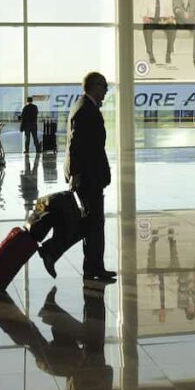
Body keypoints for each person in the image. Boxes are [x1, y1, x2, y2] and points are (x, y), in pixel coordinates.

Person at [40, 72, 116, 282]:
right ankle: (56, 251)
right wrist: (75, 174)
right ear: (92, 86)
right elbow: (76, 144)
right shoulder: (85, 109)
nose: (106, 90)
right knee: (94, 222)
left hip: (89, 174)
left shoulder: (84, 106)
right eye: (103, 86)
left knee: (90, 223)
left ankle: (91, 267)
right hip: (87, 176)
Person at [142, 0, 176, 64]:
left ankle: (168, 53)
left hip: (163, 20)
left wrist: (170, 18)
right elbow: (143, 12)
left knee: (172, 28)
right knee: (146, 27)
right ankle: (150, 54)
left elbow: (171, 12)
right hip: (152, 20)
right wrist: (145, 18)